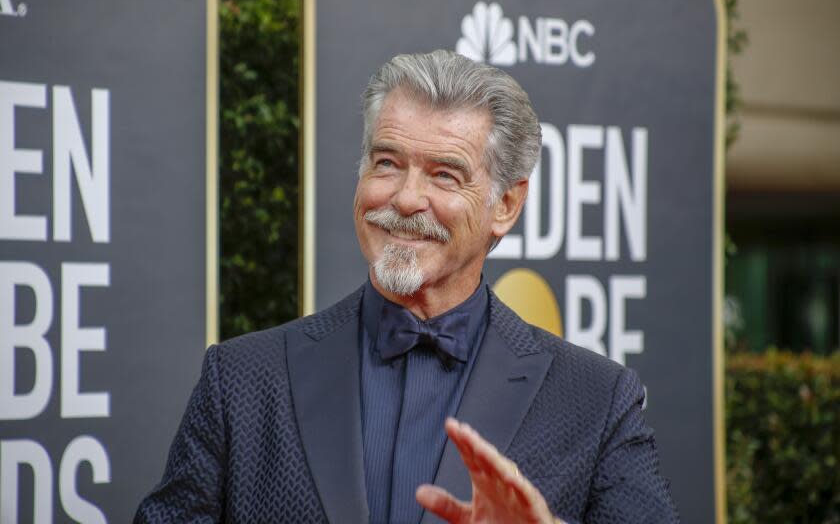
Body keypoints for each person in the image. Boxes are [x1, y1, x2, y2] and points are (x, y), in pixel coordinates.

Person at [135, 50, 678, 523]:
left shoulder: (596, 400)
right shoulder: (241, 382)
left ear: (506, 205)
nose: (405, 199)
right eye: (388, 163)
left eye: (445, 174)